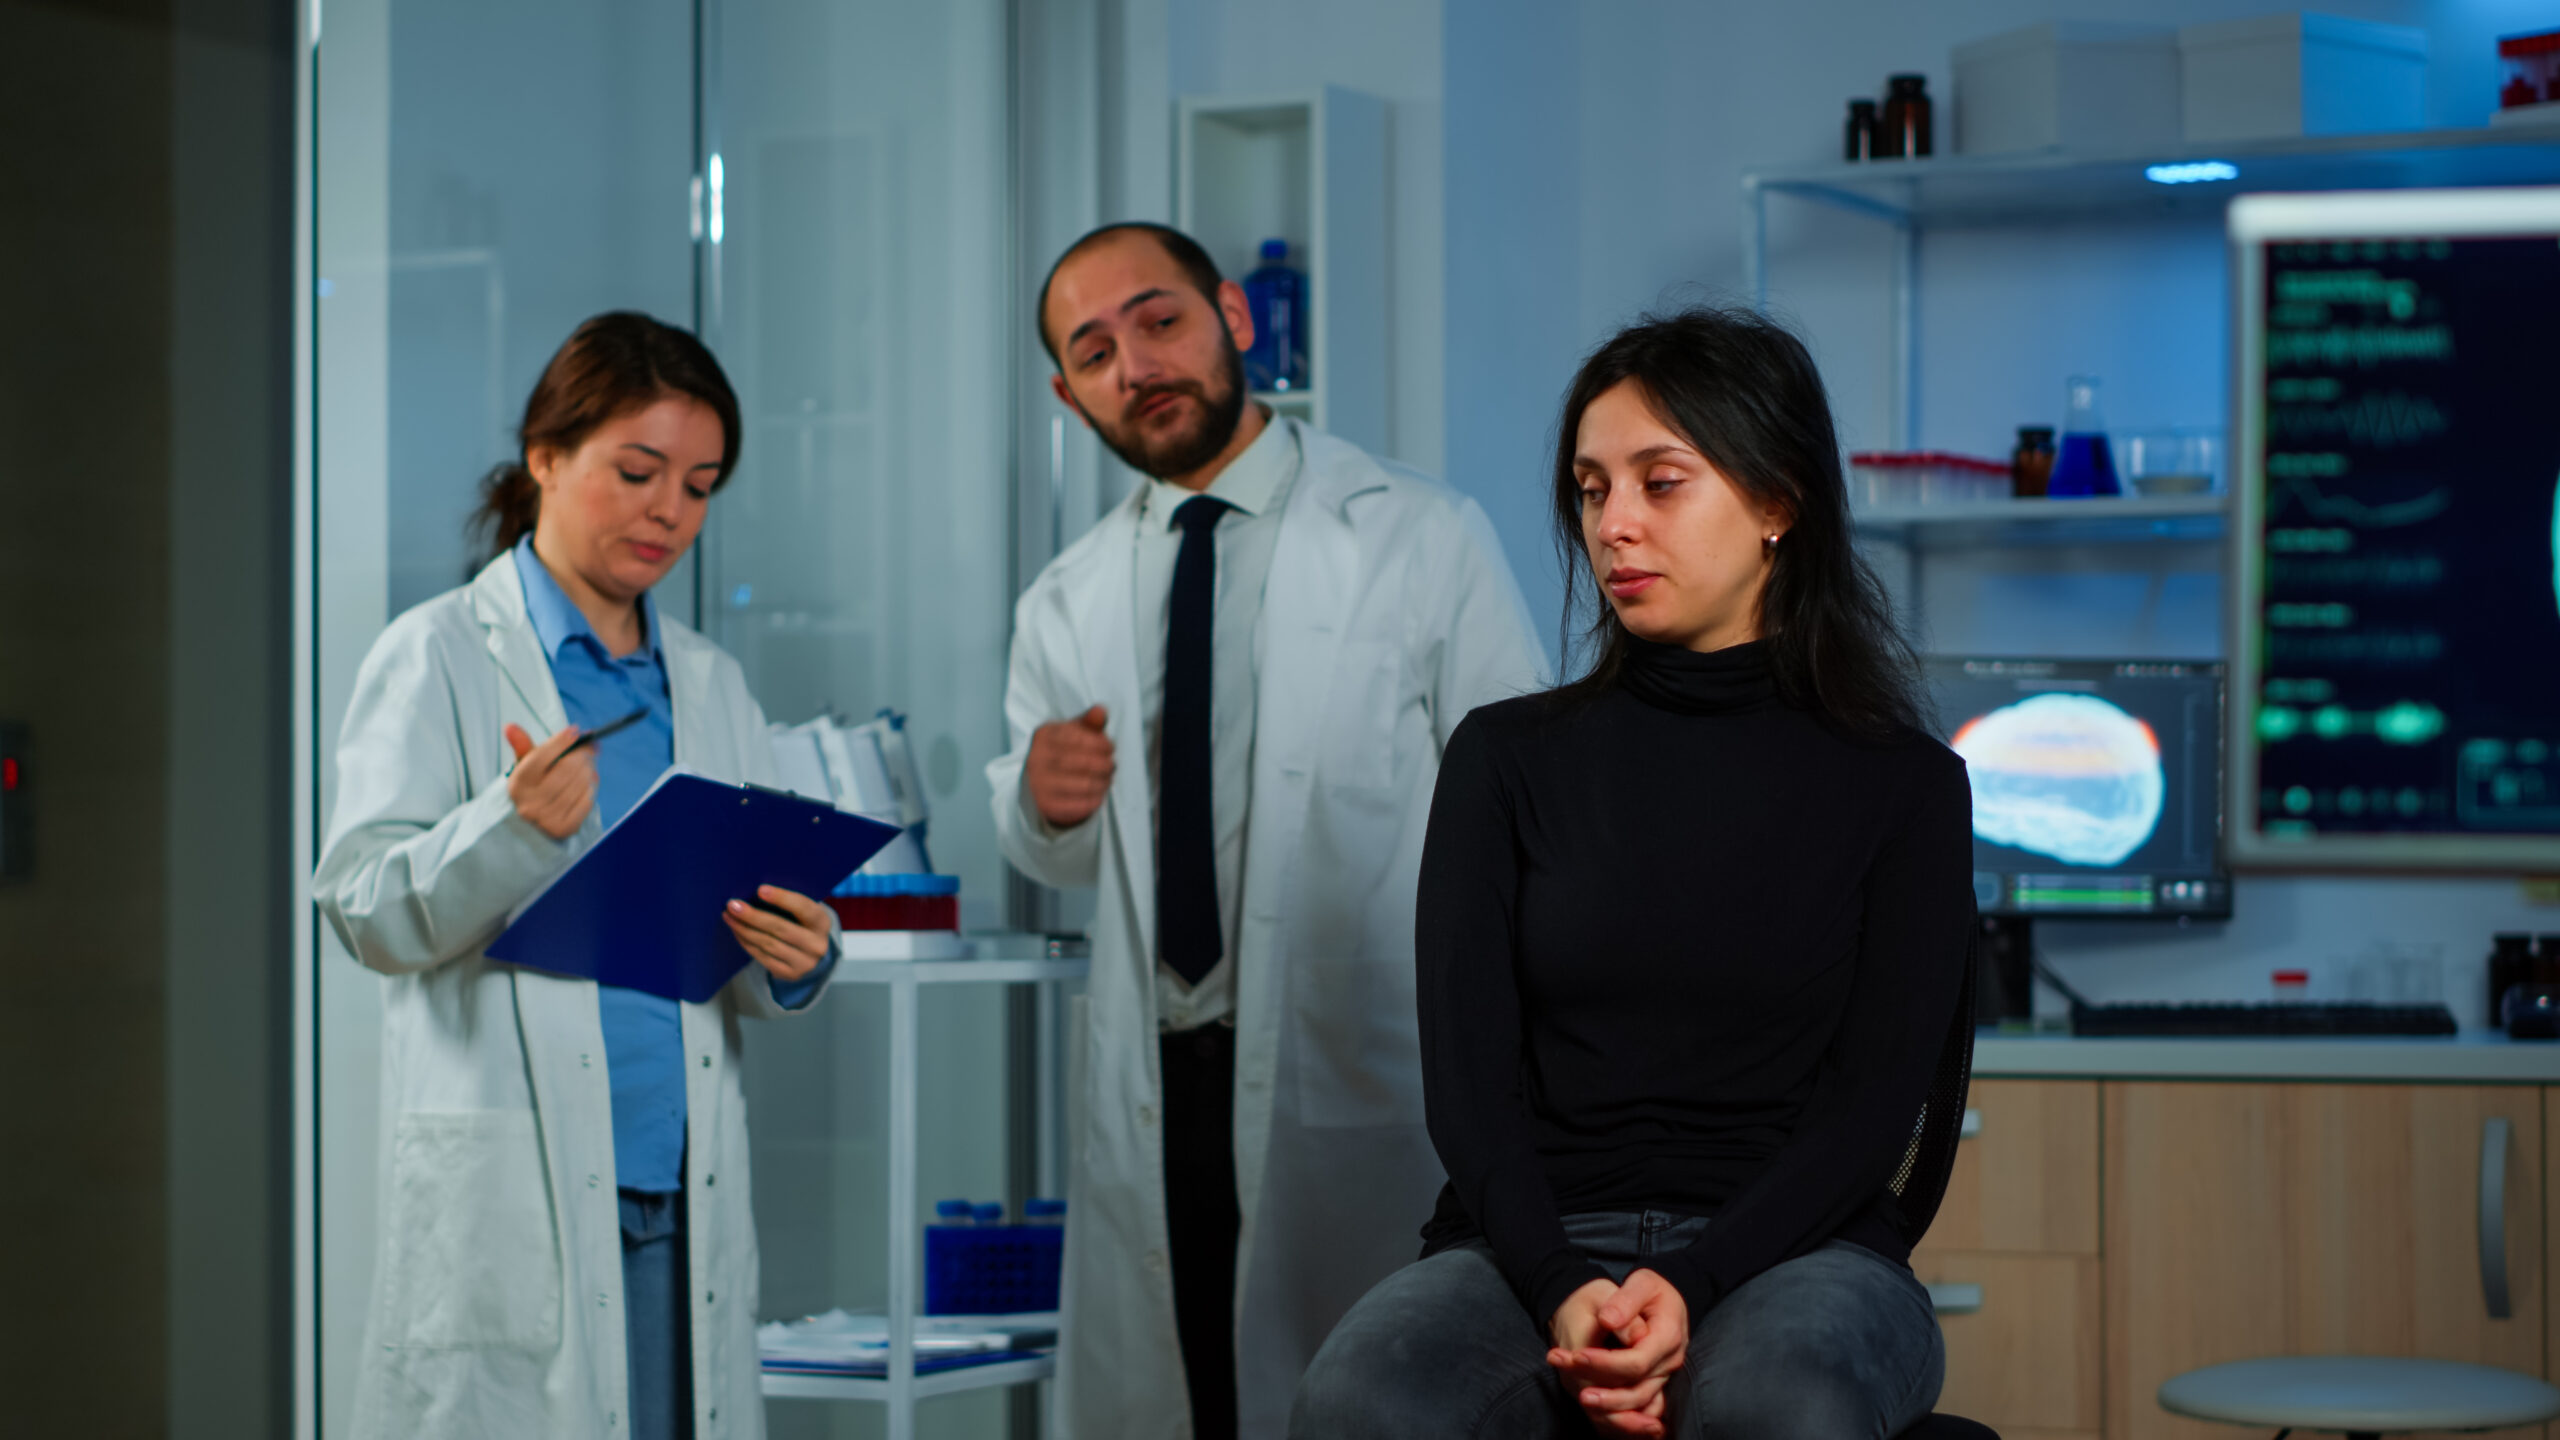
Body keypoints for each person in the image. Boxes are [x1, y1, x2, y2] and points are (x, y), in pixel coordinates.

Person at [1292, 306, 1975, 1440]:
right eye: (1591, 487)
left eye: (1661, 483)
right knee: (1361, 1400)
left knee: (1778, 1404)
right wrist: (1563, 1283)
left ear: (1776, 504)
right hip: (1526, 1248)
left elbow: (1866, 1118)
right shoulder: (1505, 759)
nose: (1614, 524)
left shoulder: (1905, 786)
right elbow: (1467, 1090)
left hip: (1799, 1252)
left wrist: (1695, 1283)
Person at [987, 222, 1545, 1440]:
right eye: (1092, 351)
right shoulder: (1063, 600)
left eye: (1159, 320)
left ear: (1234, 319)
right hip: (1157, 1076)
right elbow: (1056, 852)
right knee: (1179, 1393)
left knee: (1359, 1398)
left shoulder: (1417, 534)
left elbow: (1532, 821)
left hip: (1356, 1063)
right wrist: (1039, 799)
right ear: (1064, 393)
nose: (1135, 365)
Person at [317, 312, 836, 1440]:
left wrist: (797, 957)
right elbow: (358, 906)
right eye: (639, 471)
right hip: (521, 1195)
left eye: (700, 487)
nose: (670, 512)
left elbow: (736, 945)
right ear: (546, 458)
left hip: (674, 1185)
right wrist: (505, 828)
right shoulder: (440, 654)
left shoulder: (707, 683)